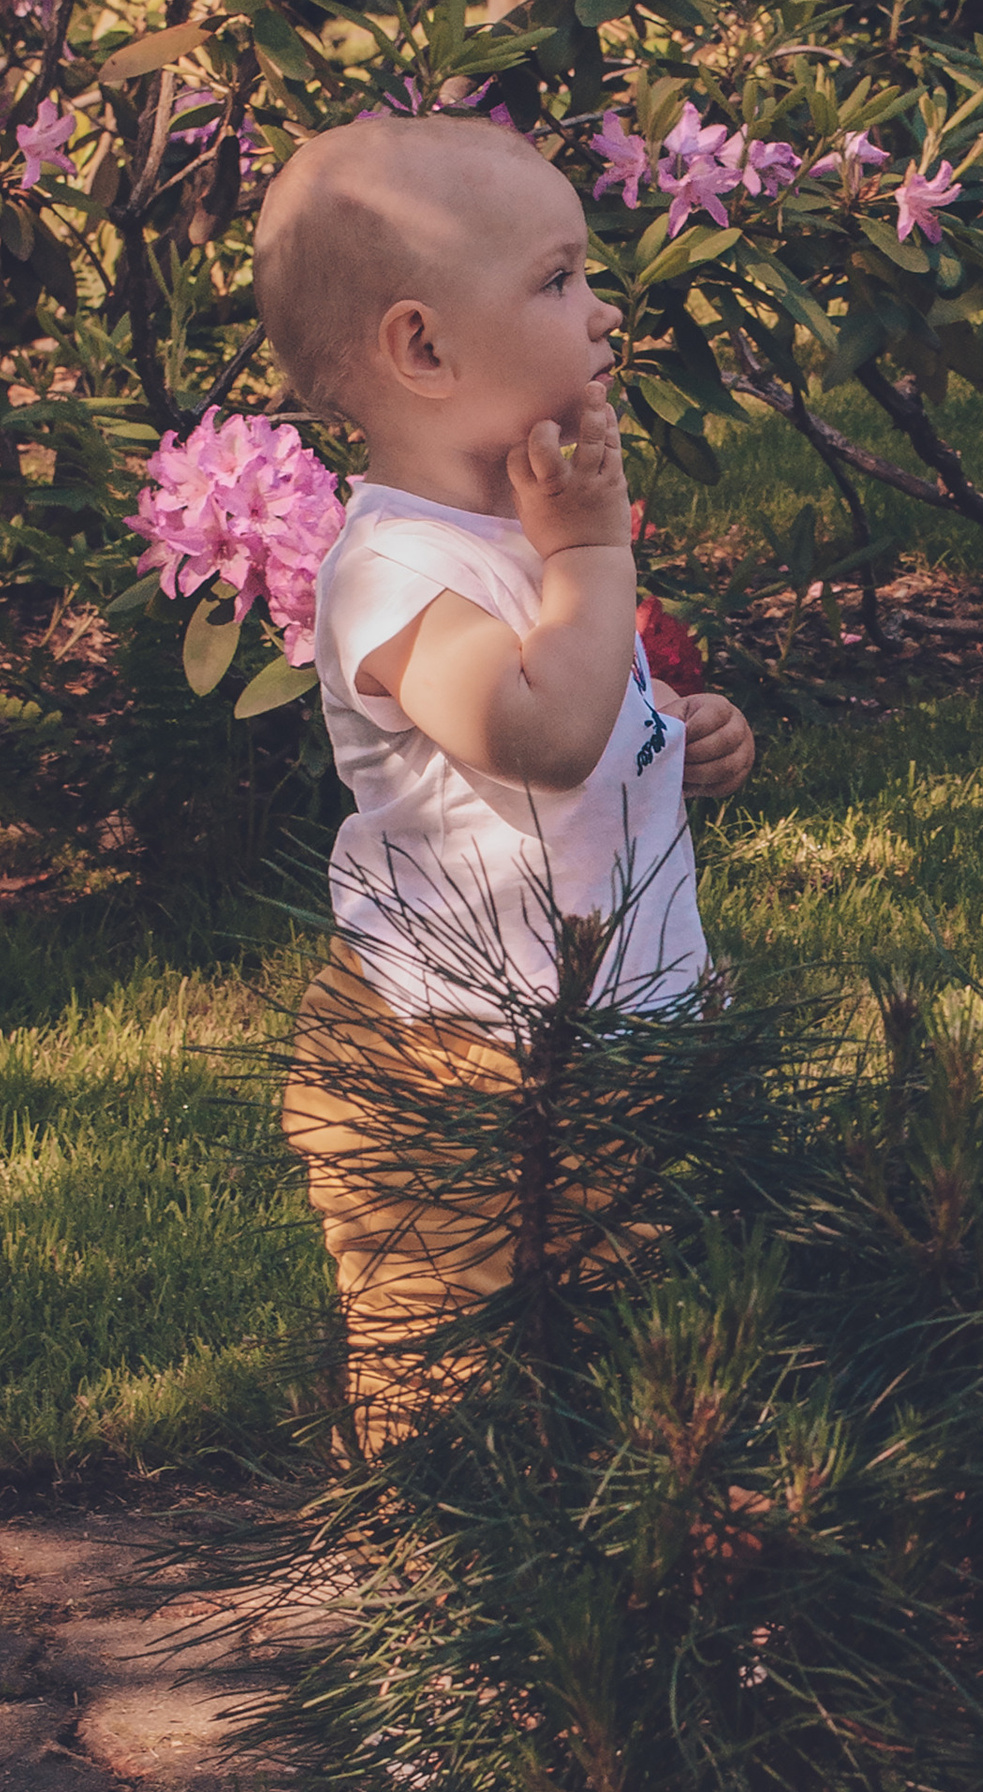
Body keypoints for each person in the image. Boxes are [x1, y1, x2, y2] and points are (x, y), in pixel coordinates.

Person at [253, 110, 755, 1449]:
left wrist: (681, 728)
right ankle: (445, 1546)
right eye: (556, 280)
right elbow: (538, 734)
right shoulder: (393, 573)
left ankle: (632, 1536)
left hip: (614, 1022)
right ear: (422, 349)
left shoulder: (520, 529)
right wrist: (591, 556)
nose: (603, 312)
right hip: (453, 1059)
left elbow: (596, 719)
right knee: (449, 1347)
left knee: (638, 1320)